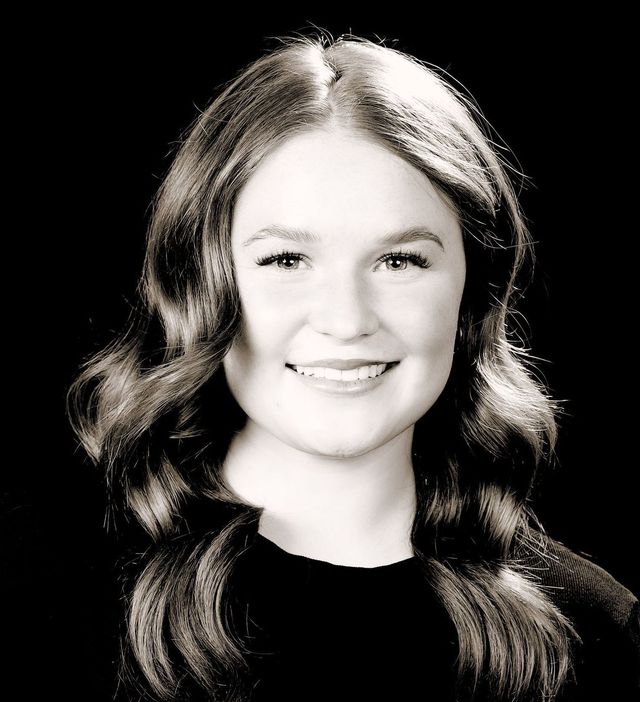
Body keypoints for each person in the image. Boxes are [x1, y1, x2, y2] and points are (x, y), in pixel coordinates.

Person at [66, 31, 639, 702]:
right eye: (286, 260)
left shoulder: (587, 631)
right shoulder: (45, 582)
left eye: (399, 261)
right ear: (199, 282)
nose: (346, 319)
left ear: (472, 293)